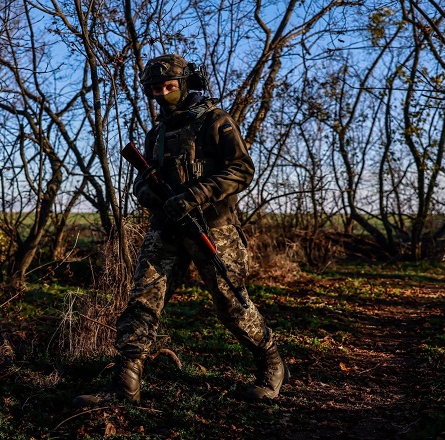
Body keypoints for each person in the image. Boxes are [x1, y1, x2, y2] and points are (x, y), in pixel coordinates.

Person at [74, 54, 288, 406]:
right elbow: (141, 184)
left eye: (169, 87)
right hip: (165, 230)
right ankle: (125, 386)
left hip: (212, 227)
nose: (162, 94)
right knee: (142, 302)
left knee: (231, 304)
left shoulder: (215, 121)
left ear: (186, 84)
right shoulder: (157, 133)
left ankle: (271, 362)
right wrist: (153, 197)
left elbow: (242, 170)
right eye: (155, 89)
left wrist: (194, 195)